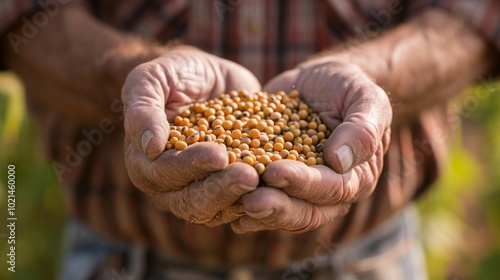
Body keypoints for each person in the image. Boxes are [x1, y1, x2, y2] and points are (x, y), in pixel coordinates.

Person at [1, 0, 498, 279]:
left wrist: (370, 75)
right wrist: (127, 78)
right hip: (122, 261)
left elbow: (477, 16)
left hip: (365, 261)